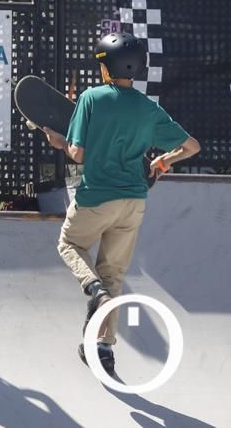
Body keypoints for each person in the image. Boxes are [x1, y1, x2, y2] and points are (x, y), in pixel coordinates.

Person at [40, 32, 199, 375]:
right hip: (134, 203)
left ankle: (93, 288)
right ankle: (103, 348)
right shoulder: (148, 107)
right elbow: (192, 147)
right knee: (114, 272)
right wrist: (163, 162)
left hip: (97, 196)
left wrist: (59, 141)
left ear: (107, 67)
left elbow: (77, 152)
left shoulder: (92, 99)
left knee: (69, 243)